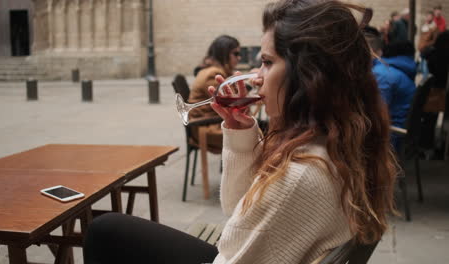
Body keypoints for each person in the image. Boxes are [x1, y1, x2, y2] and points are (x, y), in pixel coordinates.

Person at [83, 1, 398, 263]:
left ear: (309, 75)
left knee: (105, 230)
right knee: (110, 229)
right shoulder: (340, 141)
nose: (256, 78)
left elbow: (234, 234)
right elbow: (238, 210)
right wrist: (242, 135)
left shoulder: (301, 175)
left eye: (266, 62)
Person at [189, 35, 241, 151]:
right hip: (206, 128)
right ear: (224, 53)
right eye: (236, 54)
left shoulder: (214, 70)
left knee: (256, 128)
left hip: (212, 123)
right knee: (258, 132)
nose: (239, 58)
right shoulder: (213, 74)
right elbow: (230, 103)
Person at [417, 11, 439, 80]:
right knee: (420, 67)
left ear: (432, 17)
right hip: (421, 50)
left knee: (425, 67)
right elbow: (421, 39)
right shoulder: (424, 26)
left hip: (427, 51)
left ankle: (425, 82)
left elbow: (434, 41)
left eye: (430, 16)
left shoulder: (434, 28)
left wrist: (426, 45)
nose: (428, 18)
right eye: (427, 16)